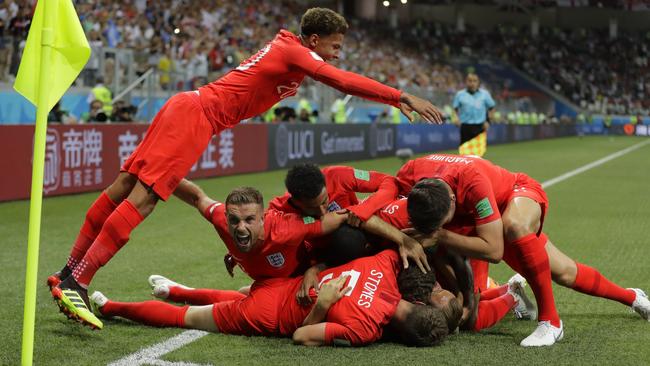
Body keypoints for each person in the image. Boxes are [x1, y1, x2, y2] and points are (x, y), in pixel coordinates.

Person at [48, 7, 444, 327]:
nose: (338, 53)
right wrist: (399, 96)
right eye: (335, 46)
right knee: (143, 198)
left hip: (190, 109)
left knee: (123, 186)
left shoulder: (289, 51)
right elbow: (338, 81)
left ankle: (68, 273)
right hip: (195, 117)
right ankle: (79, 281)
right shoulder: (294, 51)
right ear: (315, 40)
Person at [393, 154, 650, 346]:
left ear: (452, 201)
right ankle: (632, 297)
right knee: (563, 273)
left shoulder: (472, 183)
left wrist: (440, 234)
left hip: (515, 196)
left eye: (443, 221)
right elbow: (386, 186)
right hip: (478, 224)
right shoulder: (412, 171)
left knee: (514, 225)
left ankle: (551, 322)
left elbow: (494, 250)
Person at [90, 250, 450, 347]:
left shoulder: (385, 267)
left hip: (283, 282)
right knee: (187, 319)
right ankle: (110, 307)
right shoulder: (365, 330)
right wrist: (323, 307)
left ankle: (178, 291)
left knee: (232, 297)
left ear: (417, 304)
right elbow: (301, 336)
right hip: (270, 314)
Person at [452, 73, 495, 155]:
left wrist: (488, 121)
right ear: (466, 82)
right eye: (470, 81)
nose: (472, 83)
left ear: (478, 82)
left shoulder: (484, 94)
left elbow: (492, 107)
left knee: (479, 155)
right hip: (465, 127)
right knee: (464, 155)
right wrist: (456, 118)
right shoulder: (460, 94)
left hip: (480, 127)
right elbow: (455, 109)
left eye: (474, 81)